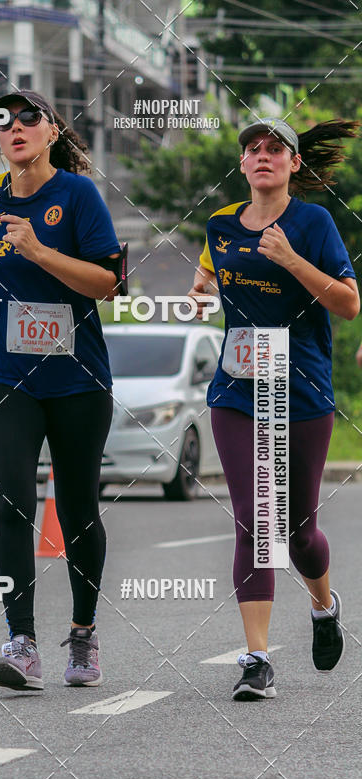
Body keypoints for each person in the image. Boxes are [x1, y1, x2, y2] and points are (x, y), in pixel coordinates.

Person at [189, 116, 360, 700]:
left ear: (293, 164)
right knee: (255, 522)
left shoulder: (312, 223)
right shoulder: (219, 226)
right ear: (242, 164)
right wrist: (198, 297)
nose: (262, 155)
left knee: (300, 530)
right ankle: (256, 658)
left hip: (300, 389)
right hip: (237, 391)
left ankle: (323, 605)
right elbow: (207, 282)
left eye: (275, 149)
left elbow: (348, 304)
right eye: (253, 148)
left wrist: (290, 259)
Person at [0, 90, 123, 691]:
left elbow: (108, 282)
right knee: (12, 501)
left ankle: (82, 635)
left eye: (30, 118)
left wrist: (38, 251)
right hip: (6, 376)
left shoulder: (78, 196)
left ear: (52, 132)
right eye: (5, 121)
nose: (17, 127)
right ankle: (20, 641)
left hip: (77, 379)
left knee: (77, 508)